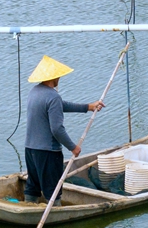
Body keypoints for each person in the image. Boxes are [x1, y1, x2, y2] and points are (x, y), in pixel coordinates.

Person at [24, 55, 104, 205]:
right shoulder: (52, 97)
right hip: (48, 152)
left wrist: (88, 107)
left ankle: (28, 207)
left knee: (32, 186)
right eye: (58, 76)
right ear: (53, 77)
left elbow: (60, 105)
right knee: (53, 190)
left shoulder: (34, 92)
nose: (59, 78)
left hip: (30, 149)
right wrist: (73, 147)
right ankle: (56, 212)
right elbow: (57, 129)